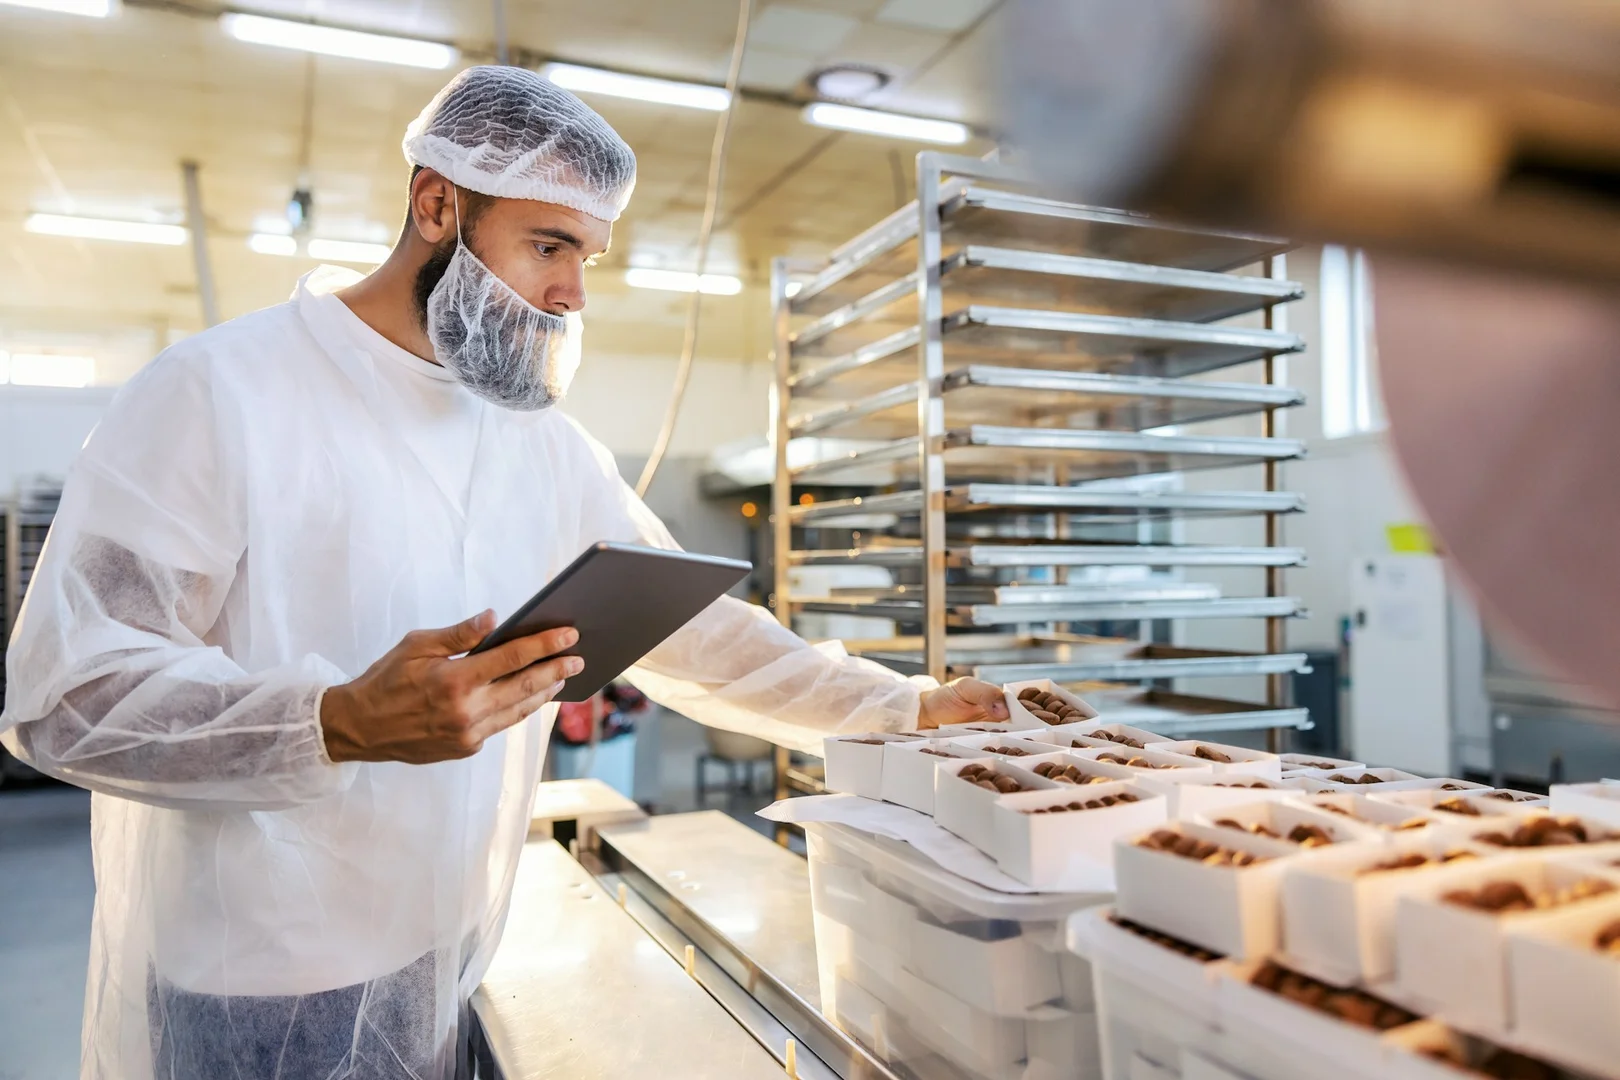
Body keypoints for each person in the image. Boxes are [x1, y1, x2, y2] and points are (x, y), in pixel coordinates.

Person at [0, 66, 1009, 1080]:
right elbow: (66, 693)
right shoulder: (220, 394)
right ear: (436, 203)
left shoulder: (543, 448)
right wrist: (336, 720)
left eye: (590, 256)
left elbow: (697, 635)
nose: (573, 292)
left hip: (445, 954)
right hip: (260, 984)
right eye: (550, 244)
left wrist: (904, 708)